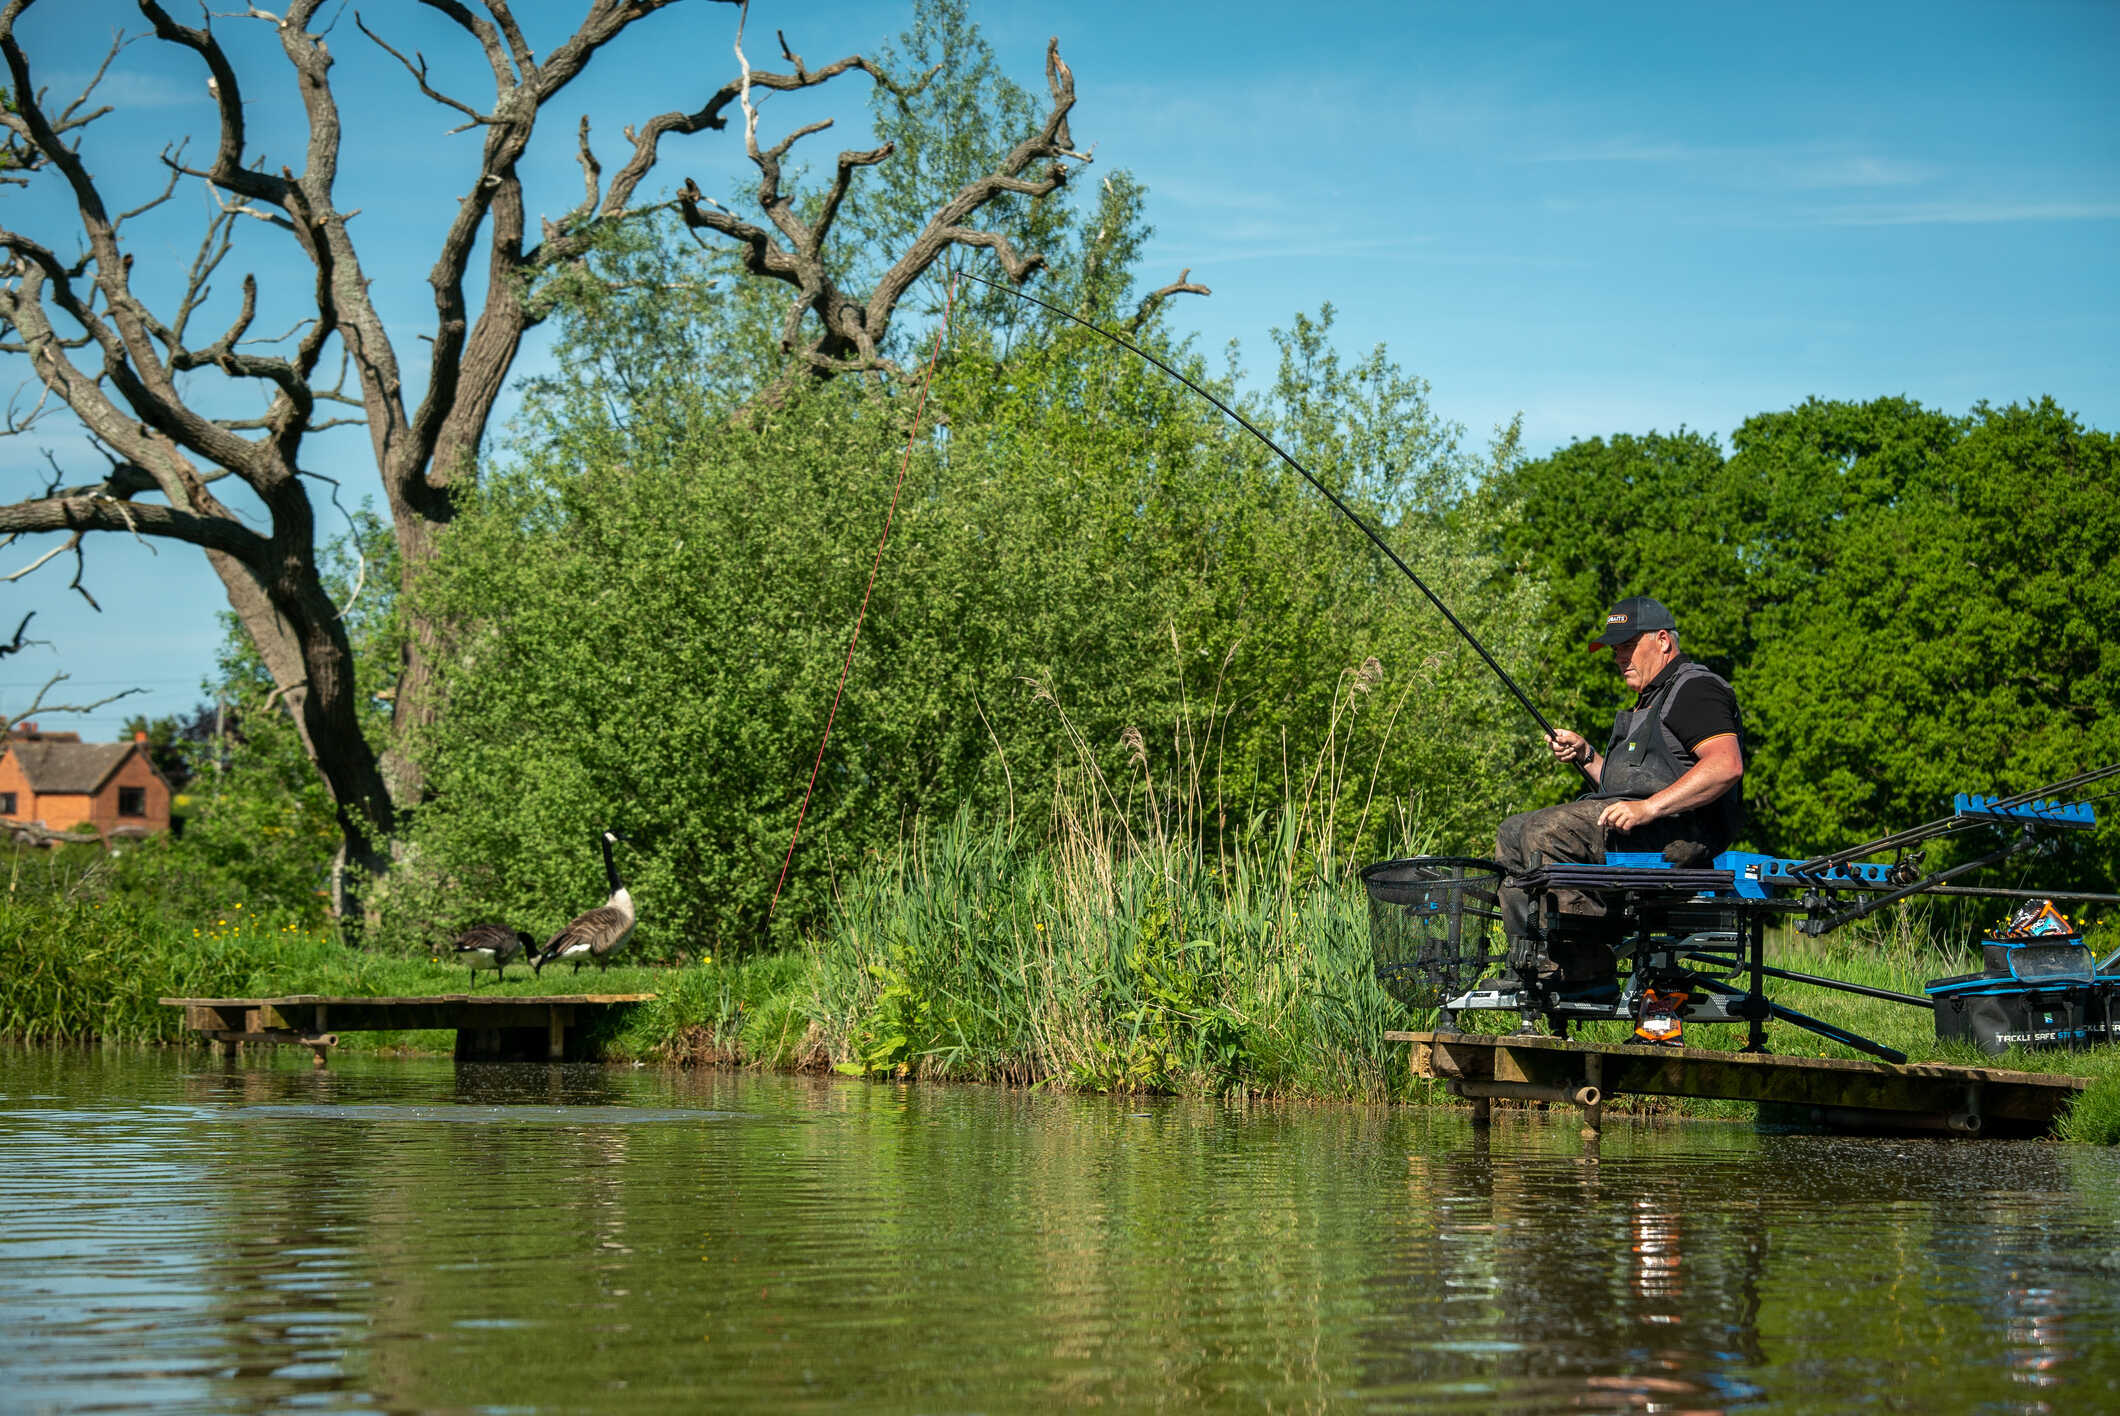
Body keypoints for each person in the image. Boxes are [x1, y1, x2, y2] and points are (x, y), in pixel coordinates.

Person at [1494, 596, 1745, 989]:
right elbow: (1624, 791)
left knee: (1547, 832)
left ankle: (1585, 960)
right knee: (1512, 831)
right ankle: (1531, 958)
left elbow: (1725, 766)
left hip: (1681, 835)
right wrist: (1587, 755)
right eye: (1615, 650)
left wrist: (1648, 808)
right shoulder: (1649, 700)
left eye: (1628, 646)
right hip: (1644, 825)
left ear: (1663, 640)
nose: (1619, 657)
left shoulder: (1695, 688)